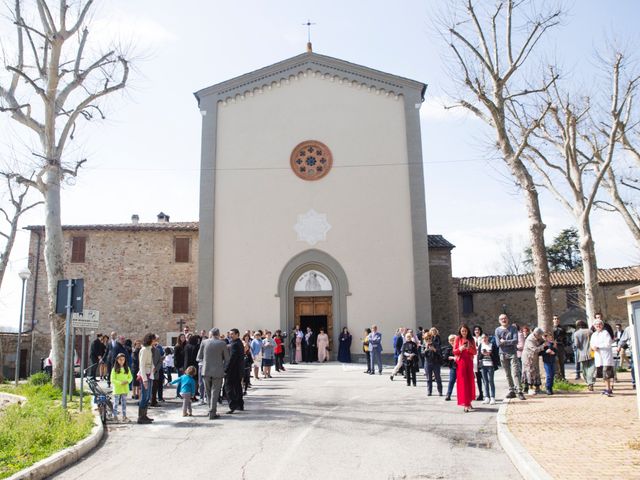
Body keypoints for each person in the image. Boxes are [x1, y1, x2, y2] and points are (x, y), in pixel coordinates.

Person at [197, 328, 230, 420]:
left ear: (211, 334)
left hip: (206, 370)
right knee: (215, 392)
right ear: (218, 334)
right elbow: (227, 358)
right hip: (218, 371)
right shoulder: (222, 343)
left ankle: (210, 410)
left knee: (208, 392)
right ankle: (212, 412)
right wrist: (223, 367)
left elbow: (199, 357)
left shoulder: (204, 342)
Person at [495, 314, 525, 400]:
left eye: (505, 318)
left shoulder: (513, 328)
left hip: (512, 353)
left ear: (507, 319)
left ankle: (519, 391)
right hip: (502, 354)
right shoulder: (497, 330)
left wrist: (504, 341)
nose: (503, 320)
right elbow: (498, 344)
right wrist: (508, 342)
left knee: (515, 372)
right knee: (507, 374)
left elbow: (515, 341)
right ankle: (511, 390)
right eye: (501, 319)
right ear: (499, 321)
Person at [454, 324, 477, 412]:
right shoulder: (457, 339)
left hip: (469, 362)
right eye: (462, 331)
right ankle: (465, 403)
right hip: (461, 362)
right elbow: (454, 351)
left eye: (465, 331)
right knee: (463, 382)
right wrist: (460, 348)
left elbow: (474, 352)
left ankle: (469, 401)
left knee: (469, 381)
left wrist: (469, 348)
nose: (464, 332)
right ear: (460, 331)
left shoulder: (471, 339)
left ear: (468, 331)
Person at [590, 318, 615, 397]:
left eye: (599, 324)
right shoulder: (594, 334)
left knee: (606, 373)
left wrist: (598, 347)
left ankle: (608, 389)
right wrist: (593, 347)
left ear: (602, 325)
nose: (598, 326)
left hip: (606, 356)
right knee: (602, 374)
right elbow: (591, 343)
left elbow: (608, 343)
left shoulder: (605, 333)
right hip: (598, 357)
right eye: (596, 325)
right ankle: (607, 388)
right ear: (594, 326)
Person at [137, 333, 155, 424]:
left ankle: (144, 415)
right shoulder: (144, 350)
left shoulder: (149, 349)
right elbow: (142, 365)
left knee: (148, 396)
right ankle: (141, 417)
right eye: (153, 340)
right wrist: (144, 379)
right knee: (144, 396)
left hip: (149, 374)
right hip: (145, 375)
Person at [225, 328, 245, 413]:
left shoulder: (235, 344)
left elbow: (232, 358)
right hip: (238, 370)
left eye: (232, 334)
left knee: (228, 387)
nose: (231, 335)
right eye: (230, 334)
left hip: (233, 370)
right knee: (237, 387)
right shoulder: (238, 342)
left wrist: (226, 369)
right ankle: (240, 405)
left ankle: (233, 405)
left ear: (237, 334)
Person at [521, 328, 546, 395]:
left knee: (536, 371)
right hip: (528, 357)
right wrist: (543, 346)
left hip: (534, 357)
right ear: (536, 334)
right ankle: (529, 388)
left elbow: (542, 340)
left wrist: (545, 340)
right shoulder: (530, 339)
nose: (541, 336)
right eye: (540, 335)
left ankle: (537, 387)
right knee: (529, 371)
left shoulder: (538, 337)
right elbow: (535, 350)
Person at [573, 320, 595, 391]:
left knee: (585, 369)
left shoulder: (576, 333)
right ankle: (590, 382)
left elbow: (576, 345)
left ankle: (588, 382)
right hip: (591, 352)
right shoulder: (590, 332)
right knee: (591, 368)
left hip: (582, 353)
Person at [110, 353, 132, 422]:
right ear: (117, 360)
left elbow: (130, 377)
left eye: (123, 360)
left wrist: (127, 381)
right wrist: (120, 383)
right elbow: (112, 379)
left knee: (124, 403)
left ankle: (124, 416)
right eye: (120, 360)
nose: (122, 361)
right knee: (116, 403)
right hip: (117, 389)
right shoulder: (114, 369)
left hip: (125, 389)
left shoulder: (127, 368)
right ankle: (115, 416)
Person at [478, 334, 499, 405]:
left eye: (485, 337)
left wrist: (490, 353)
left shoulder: (492, 345)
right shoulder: (481, 345)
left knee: (491, 381)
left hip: (490, 365)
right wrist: (482, 353)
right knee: (485, 381)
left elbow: (496, 355)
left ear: (488, 338)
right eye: (483, 338)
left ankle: (492, 397)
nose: (484, 339)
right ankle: (487, 397)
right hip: (483, 365)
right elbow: (479, 357)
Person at [423, 331, 442, 396]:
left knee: (438, 378)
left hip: (436, 363)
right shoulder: (424, 345)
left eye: (429, 338)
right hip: (427, 363)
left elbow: (440, 354)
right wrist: (425, 349)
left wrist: (435, 350)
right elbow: (421, 355)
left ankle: (440, 391)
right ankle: (429, 391)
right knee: (429, 379)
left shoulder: (436, 344)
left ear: (432, 338)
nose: (428, 340)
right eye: (426, 339)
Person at [442, 335, 457, 401]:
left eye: (453, 339)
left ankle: (462, 395)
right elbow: (445, 357)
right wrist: (451, 358)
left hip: (461, 366)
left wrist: (453, 357)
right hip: (453, 366)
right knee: (451, 380)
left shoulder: (459, 347)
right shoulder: (448, 348)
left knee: (461, 382)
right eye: (451, 340)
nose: (452, 341)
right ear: (449, 341)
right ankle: (448, 394)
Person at [552, 315, 567, 380]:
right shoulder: (551, 328)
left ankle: (563, 377)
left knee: (561, 362)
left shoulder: (562, 328)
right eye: (555, 319)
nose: (556, 320)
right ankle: (555, 377)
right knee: (554, 362)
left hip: (560, 346)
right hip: (553, 346)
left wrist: (564, 345)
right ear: (552, 320)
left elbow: (565, 338)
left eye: (557, 319)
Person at [472, 326, 484, 401]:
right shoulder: (472, 339)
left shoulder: (482, 338)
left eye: (478, 330)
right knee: (477, 378)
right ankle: (480, 393)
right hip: (474, 359)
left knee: (484, 378)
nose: (477, 331)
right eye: (475, 330)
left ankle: (486, 393)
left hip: (481, 359)